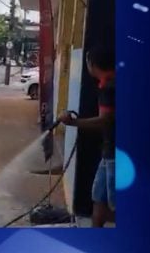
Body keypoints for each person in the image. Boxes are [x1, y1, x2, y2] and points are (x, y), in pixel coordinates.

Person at [58, 45, 115, 227]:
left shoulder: (109, 87)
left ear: (92, 64)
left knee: (116, 204)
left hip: (116, 155)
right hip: (108, 153)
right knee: (99, 198)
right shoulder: (109, 83)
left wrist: (72, 123)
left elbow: (104, 121)